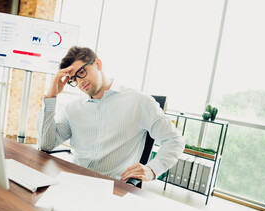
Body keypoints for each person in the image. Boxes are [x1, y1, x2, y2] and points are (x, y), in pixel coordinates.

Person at [37, 46, 184, 182]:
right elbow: (47, 144)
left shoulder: (139, 102)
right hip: (75, 180)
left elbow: (174, 141)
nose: (80, 82)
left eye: (81, 72)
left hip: (113, 187)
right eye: (74, 79)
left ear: (98, 64)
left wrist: (153, 169)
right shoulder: (73, 108)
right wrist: (51, 95)